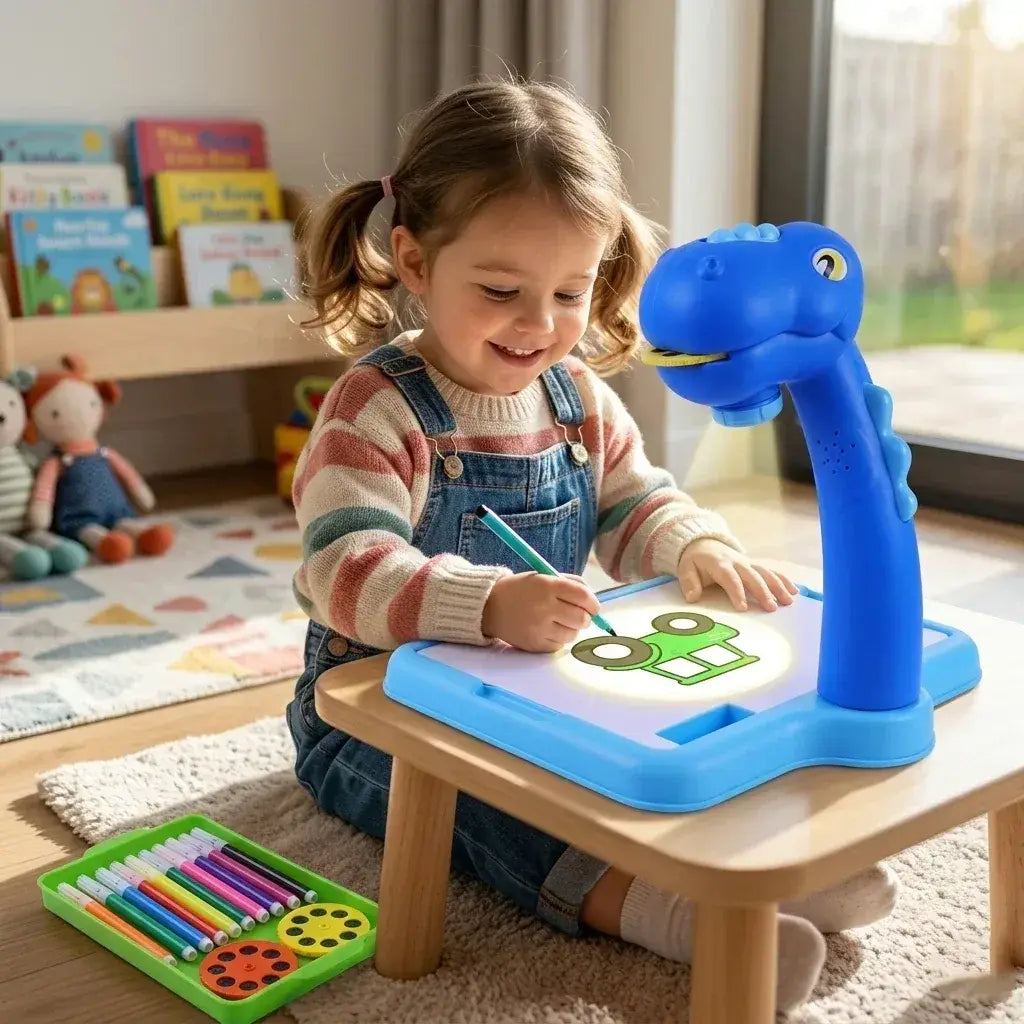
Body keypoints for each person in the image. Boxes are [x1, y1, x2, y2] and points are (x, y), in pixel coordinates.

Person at [287, 78, 896, 1013]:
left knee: (640, 759)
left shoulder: (576, 396)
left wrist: (691, 546)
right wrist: (485, 605)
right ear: (414, 260)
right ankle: (672, 917)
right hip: (375, 714)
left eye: (570, 292)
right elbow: (342, 568)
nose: (539, 325)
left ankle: (761, 870)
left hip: (532, 687)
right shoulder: (373, 407)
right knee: (491, 805)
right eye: (501, 291)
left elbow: (631, 500)